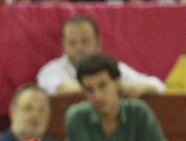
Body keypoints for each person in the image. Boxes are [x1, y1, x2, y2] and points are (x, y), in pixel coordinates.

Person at [64, 54, 174, 141]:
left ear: (117, 83)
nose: (97, 96)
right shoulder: (77, 116)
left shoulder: (138, 111)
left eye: (102, 85)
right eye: (89, 90)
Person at [37, 14, 166, 98]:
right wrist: (111, 88)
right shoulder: (51, 70)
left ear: (98, 42)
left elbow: (158, 86)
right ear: (64, 45)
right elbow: (59, 89)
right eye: (72, 43)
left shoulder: (113, 67)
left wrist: (139, 88)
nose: (79, 48)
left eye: (85, 41)